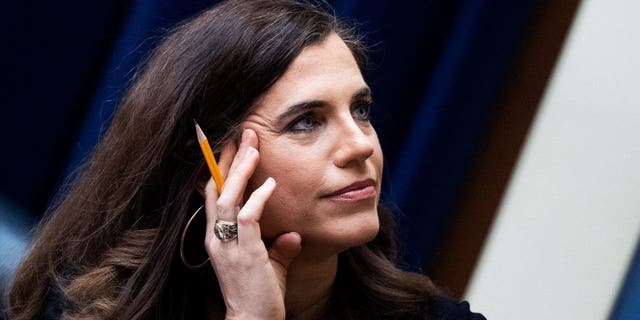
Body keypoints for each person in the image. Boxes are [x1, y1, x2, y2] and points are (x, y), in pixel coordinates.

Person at [7, 0, 486, 319]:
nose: (361, 145)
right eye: (306, 121)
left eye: (360, 110)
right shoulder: (83, 308)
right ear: (206, 167)